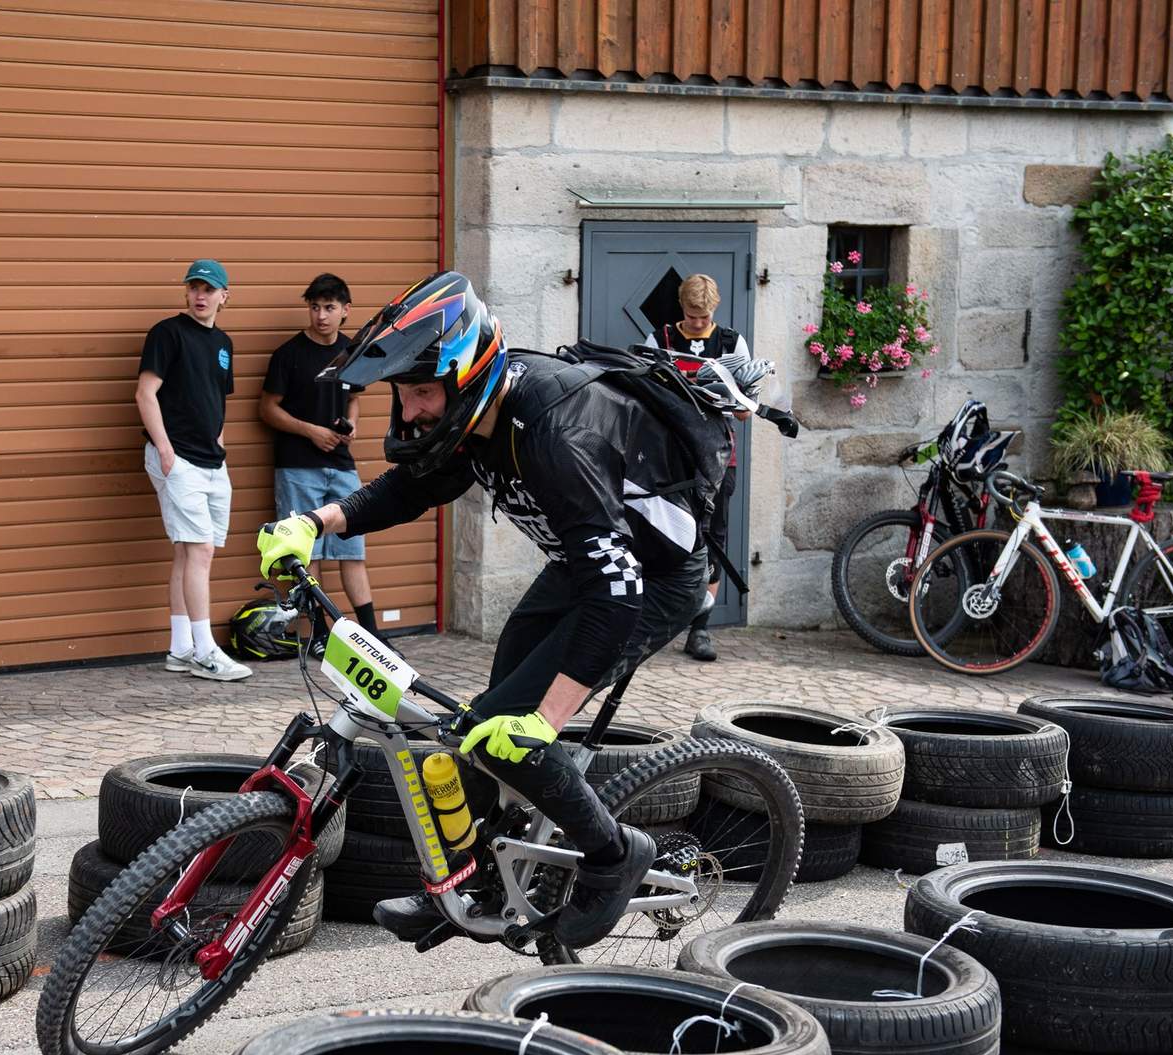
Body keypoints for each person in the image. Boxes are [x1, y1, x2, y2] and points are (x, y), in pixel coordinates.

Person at [256, 271, 732, 950]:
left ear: (465, 376)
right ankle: (470, 882)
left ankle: (613, 855)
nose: (410, 410)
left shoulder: (556, 435)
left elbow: (618, 588)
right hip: (581, 566)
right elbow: (411, 487)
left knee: (511, 731)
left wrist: (546, 720)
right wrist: (315, 522)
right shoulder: (477, 416)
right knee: (474, 727)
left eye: (422, 392)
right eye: (402, 393)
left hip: (649, 579)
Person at [136, 258, 252, 682]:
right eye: (194, 288)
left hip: (211, 461)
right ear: (186, 292)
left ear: (225, 296)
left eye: (209, 289)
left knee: (190, 552)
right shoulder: (167, 333)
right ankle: (205, 651)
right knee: (200, 550)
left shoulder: (223, 343)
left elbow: (217, 401)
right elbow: (145, 393)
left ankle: (180, 647)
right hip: (178, 458)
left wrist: (220, 445)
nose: (200, 296)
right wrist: (165, 450)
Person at [257, 273, 378, 654]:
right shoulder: (288, 354)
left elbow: (354, 398)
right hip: (298, 467)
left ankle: (374, 636)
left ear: (346, 310)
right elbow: (267, 409)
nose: (321, 315)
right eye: (314, 307)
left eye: (329, 307)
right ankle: (320, 636)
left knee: (352, 551)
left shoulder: (352, 351)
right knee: (307, 555)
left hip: (342, 465)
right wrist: (310, 431)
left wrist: (352, 424)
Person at [645, 273, 750, 664]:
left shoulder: (732, 342)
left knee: (713, 536)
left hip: (717, 455)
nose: (698, 323)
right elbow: (644, 393)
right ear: (682, 308)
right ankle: (654, 618)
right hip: (670, 452)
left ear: (714, 309)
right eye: (692, 316)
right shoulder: (660, 339)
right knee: (661, 531)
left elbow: (745, 408)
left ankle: (700, 628)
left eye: (704, 317)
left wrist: (735, 398)